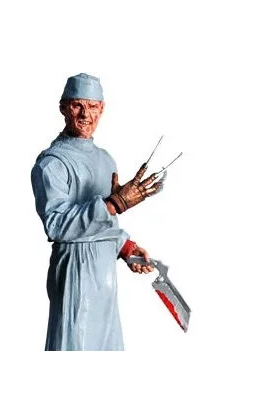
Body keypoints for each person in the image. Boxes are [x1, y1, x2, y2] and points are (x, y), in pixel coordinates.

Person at [31, 73, 164, 351]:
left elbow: (104, 223)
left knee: (107, 345)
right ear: (63, 108)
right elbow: (56, 224)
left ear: (102, 109)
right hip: (75, 271)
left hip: (105, 271)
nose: (85, 114)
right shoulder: (53, 163)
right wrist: (113, 204)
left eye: (92, 106)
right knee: (74, 345)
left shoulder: (105, 160)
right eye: (77, 105)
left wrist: (125, 247)